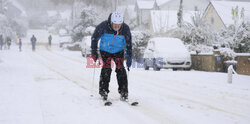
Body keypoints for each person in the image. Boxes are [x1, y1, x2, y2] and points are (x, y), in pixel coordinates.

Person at [91, 12, 132, 101]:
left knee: (121, 69)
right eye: (115, 24)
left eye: (119, 24)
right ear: (111, 22)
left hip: (118, 51)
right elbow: (94, 38)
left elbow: (128, 43)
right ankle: (103, 91)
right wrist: (94, 52)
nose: (117, 26)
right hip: (105, 50)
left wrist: (129, 56)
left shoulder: (125, 29)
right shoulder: (103, 26)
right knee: (106, 68)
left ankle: (123, 92)